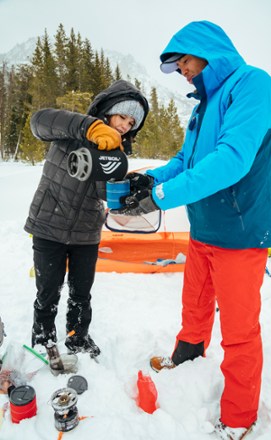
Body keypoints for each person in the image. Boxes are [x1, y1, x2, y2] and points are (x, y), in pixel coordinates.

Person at [111, 21, 271, 439]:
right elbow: (186, 161)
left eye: (183, 60)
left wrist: (163, 197)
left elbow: (231, 159)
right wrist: (150, 180)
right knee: (195, 306)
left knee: (239, 331)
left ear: (206, 51)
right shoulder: (203, 106)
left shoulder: (253, 85)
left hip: (241, 232)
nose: (182, 70)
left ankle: (238, 419)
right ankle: (187, 361)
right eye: (175, 66)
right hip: (204, 228)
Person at [24, 79, 149, 357]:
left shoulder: (116, 154)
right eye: (122, 117)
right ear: (107, 111)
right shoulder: (71, 129)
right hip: (49, 225)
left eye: (131, 123)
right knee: (48, 291)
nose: (124, 126)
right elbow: (39, 121)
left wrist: (128, 188)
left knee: (81, 294)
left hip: (86, 233)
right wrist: (88, 128)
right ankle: (43, 337)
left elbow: (105, 193)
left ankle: (77, 338)